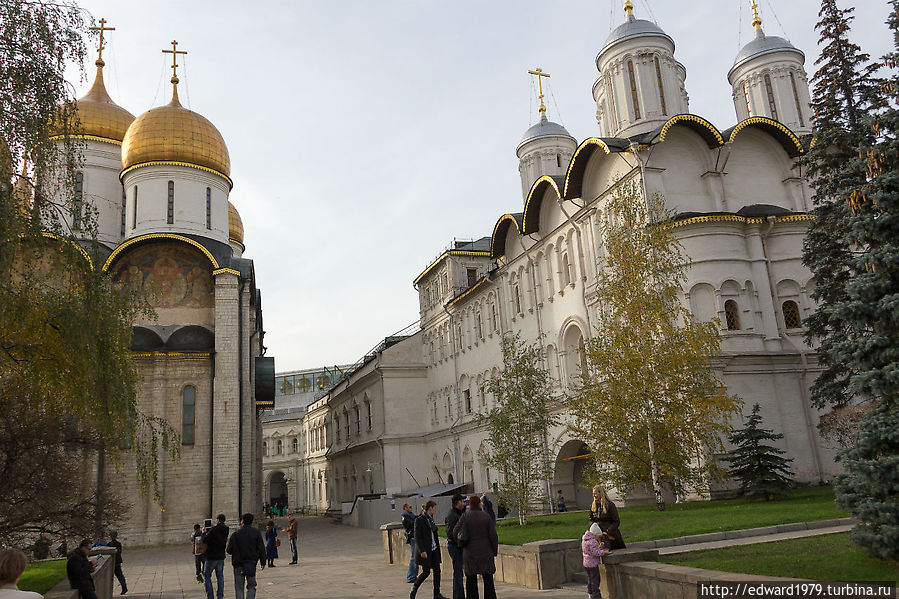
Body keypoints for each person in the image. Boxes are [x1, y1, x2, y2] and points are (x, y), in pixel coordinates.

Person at [455, 495, 498, 599]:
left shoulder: (465, 516)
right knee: (488, 581)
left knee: (471, 582)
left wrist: (460, 544)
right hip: (486, 552)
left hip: (469, 553)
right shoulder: (486, 516)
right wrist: (494, 551)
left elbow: (455, 531)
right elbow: (493, 536)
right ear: (479, 503)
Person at [410, 500, 447, 599]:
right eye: (434, 508)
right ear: (430, 508)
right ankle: (414, 590)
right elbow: (417, 536)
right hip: (426, 550)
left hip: (434, 549)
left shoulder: (431, 519)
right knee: (426, 572)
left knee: (437, 571)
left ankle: (436, 594)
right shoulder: (420, 520)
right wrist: (422, 550)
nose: (435, 510)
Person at [226, 513, 266, 599]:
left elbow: (229, 550)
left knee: (239, 588)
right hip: (250, 564)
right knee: (251, 587)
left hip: (238, 564)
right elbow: (261, 548)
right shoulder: (256, 532)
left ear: (242, 521)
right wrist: (263, 561)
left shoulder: (235, 534)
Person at [201, 514, 229, 599]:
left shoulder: (214, 529)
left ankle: (210, 596)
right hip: (221, 556)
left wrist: (203, 533)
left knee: (206, 575)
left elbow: (205, 539)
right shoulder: (226, 529)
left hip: (211, 556)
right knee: (220, 577)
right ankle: (220, 595)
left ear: (218, 520)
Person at [444, 494, 465, 599]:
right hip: (455, 546)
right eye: (462, 501)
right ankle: (458, 596)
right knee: (458, 573)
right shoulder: (452, 515)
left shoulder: (457, 513)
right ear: (458, 502)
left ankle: (459, 595)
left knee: (459, 572)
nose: (464, 503)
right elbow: (451, 533)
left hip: (457, 546)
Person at [582, 523, 610, 599]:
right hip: (593, 564)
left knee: (590, 579)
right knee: (595, 580)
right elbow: (595, 553)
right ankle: (596, 596)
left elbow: (590, 551)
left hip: (586, 563)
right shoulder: (593, 541)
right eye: (598, 536)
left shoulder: (585, 539)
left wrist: (599, 547)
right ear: (595, 534)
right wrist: (604, 552)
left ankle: (590, 594)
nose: (599, 538)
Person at [401, 503, 419, 583]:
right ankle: (411, 577)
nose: (411, 509)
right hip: (412, 538)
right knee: (413, 557)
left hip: (416, 537)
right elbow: (412, 524)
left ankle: (414, 575)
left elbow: (417, 519)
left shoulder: (411, 516)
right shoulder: (405, 517)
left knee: (416, 557)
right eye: (410, 507)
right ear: (405, 508)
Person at [107, 531, 127, 595]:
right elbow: (119, 552)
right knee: (120, 575)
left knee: (112, 577)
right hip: (117, 561)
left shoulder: (109, 544)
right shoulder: (118, 544)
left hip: (113, 562)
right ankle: (124, 587)